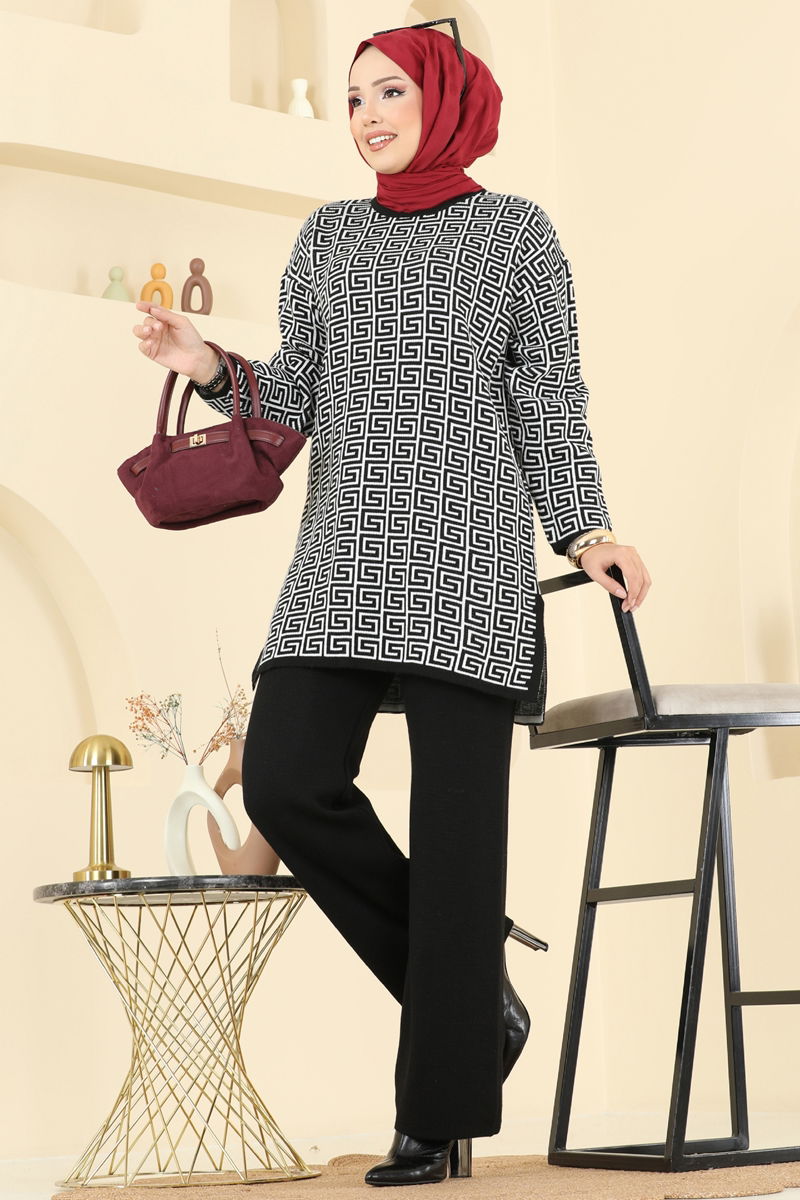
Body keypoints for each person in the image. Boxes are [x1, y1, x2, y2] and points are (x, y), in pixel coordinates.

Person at [131, 22, 651, 1188]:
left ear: (445, 101)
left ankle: (437, 1114)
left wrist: (585, 530)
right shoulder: (327, 238)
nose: (365, 115)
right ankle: (476, 1009)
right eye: (354, 97)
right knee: (284, 782)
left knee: (460, 843)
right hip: (339, 564)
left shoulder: (517, 235)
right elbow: (294, 392)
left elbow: (549, 398)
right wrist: (207, 364)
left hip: (466, 565)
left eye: (389, 93)